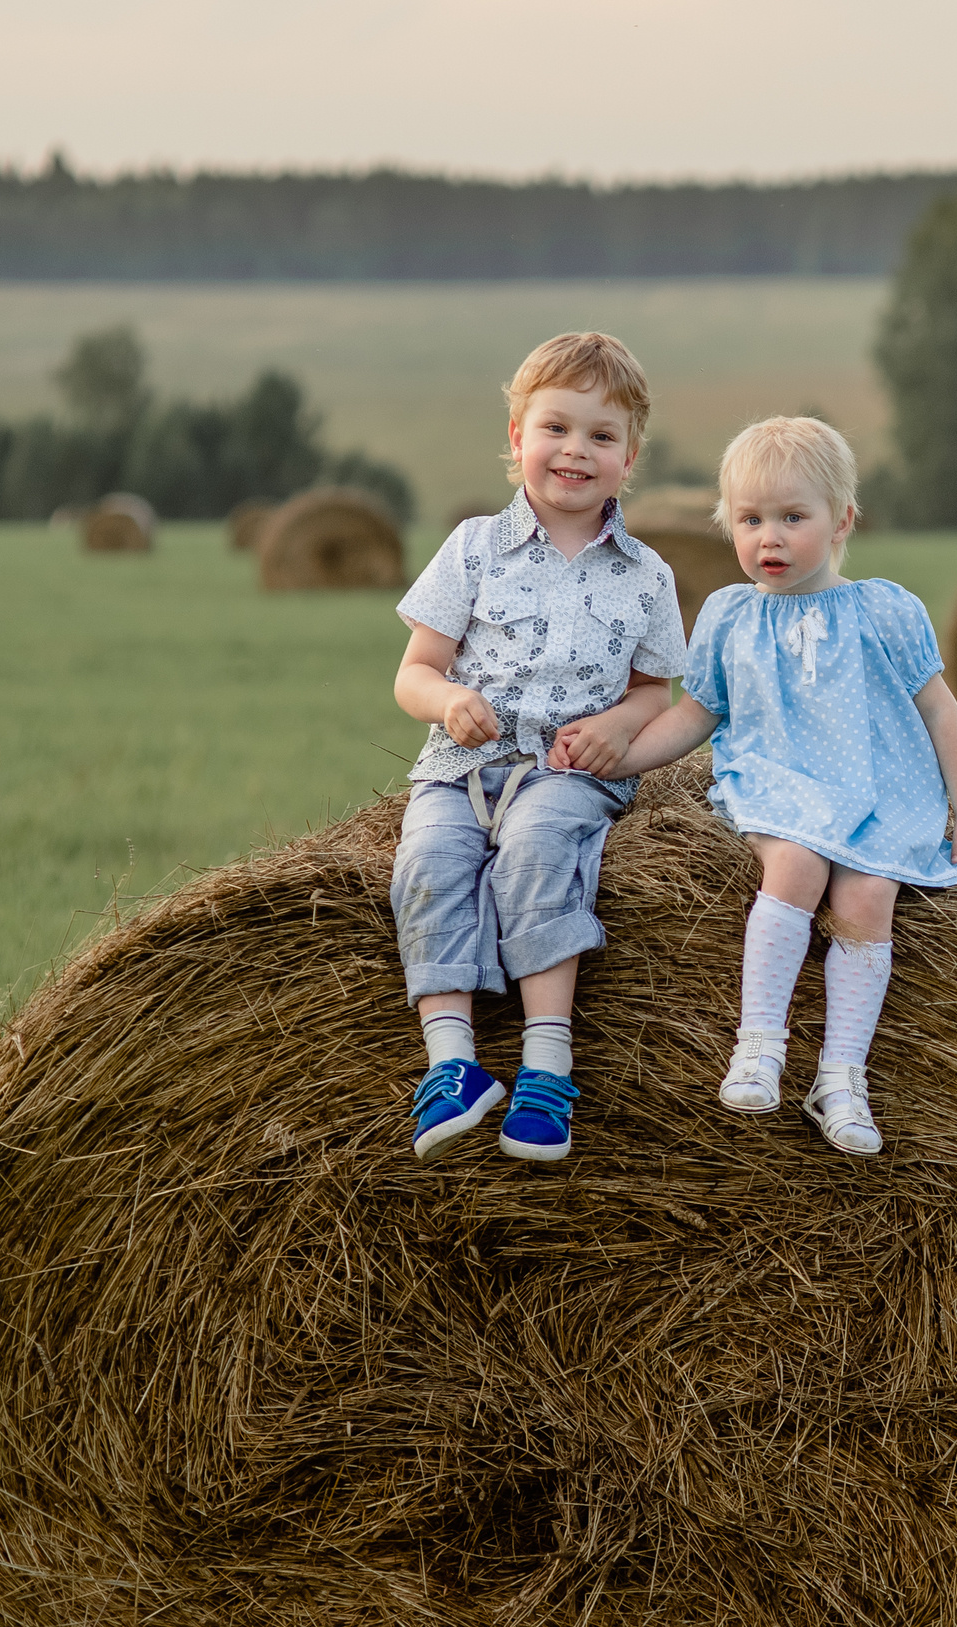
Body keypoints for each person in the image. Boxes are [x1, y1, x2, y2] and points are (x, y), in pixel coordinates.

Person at [610, 417, 957, 1155]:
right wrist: (623, 760)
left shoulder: (887, 609)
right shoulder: (730, 616)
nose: (771, 539)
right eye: (752, 520)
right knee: (796, 864)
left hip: (874, 788)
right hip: (775, 776)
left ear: (842, 520)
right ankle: (759, 1044)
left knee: (868, 895)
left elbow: (939, 711)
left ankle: (841, 1078)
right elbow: (697, 712)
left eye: (794, 518)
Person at [390, 332, 685, 1164]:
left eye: (602, 436)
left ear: (630, 460)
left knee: (535, 852)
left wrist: (619, 729)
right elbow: (414, 673)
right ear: (517, 438)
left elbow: (656, 690)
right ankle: (453, 1066)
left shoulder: (647, 575)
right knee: (428, 865)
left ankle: (547, 1065)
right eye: (556, 428)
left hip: (566, 774)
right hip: (458, 769)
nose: (575, 451)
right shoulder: (473, 548)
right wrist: (449, 704)